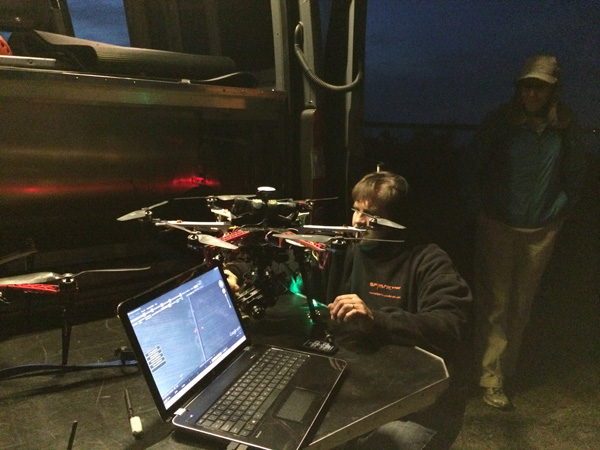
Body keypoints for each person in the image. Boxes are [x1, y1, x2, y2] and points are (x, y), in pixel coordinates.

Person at [226, 171, 473, 449]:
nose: (357, 221)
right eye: (355, 210)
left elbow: (450, 324)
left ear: (397, 220)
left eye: (370, 215)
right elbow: (290, 268)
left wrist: (376, 320)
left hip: (417, 404)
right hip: (360, 385)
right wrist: (239, 273)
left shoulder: (428, 260)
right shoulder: (345, 249)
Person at [460, 55, 587, 410]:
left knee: (521, 303)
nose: (532, 93)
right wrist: (479, 211)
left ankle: (506, 369)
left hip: (542, 229)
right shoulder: (501, 121)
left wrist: (560, 208)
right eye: (527, 85)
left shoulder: (565, 125)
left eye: (540, 87)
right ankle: (490, 376)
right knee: (494, 303)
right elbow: (471, 165)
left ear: (553, 90)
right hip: (499, 225)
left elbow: (576, 172)